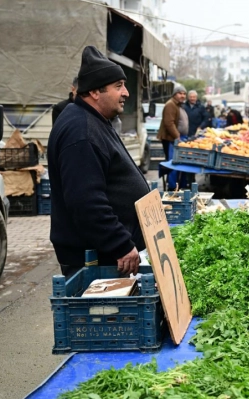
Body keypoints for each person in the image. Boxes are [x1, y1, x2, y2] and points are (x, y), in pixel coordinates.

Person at [47, 46, 149, 279]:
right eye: (118, 86)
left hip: (104, 255)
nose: (126, 93)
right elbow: (86, 201)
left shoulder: (94, 120)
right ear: (94, 92)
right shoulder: (80, 131)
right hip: (94, 259)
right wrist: (120, 244)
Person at [157, 84, 188, 190]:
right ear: (174, 94)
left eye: (184, 94)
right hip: (171, 140)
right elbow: (169, 123)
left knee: (177, 162)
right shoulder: (170, 105)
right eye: (180, 93)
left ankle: (177, 185)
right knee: (173, 163)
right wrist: (177, 136)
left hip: (177, 139)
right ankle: (172, 187)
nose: (182, 96)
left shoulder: (178, 105)